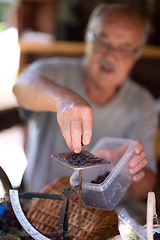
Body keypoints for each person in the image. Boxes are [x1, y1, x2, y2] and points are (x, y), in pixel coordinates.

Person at [13, 3, 158, 223]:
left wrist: (128, 169)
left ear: (137, 53)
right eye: (103, 40)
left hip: (105, 223)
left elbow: (145, 188)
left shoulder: (142, 103)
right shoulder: (55, 73)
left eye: (125, 47)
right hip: (39, 210)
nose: (111, 55)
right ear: (87, 37)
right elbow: (21, 85)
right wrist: (64, 101)